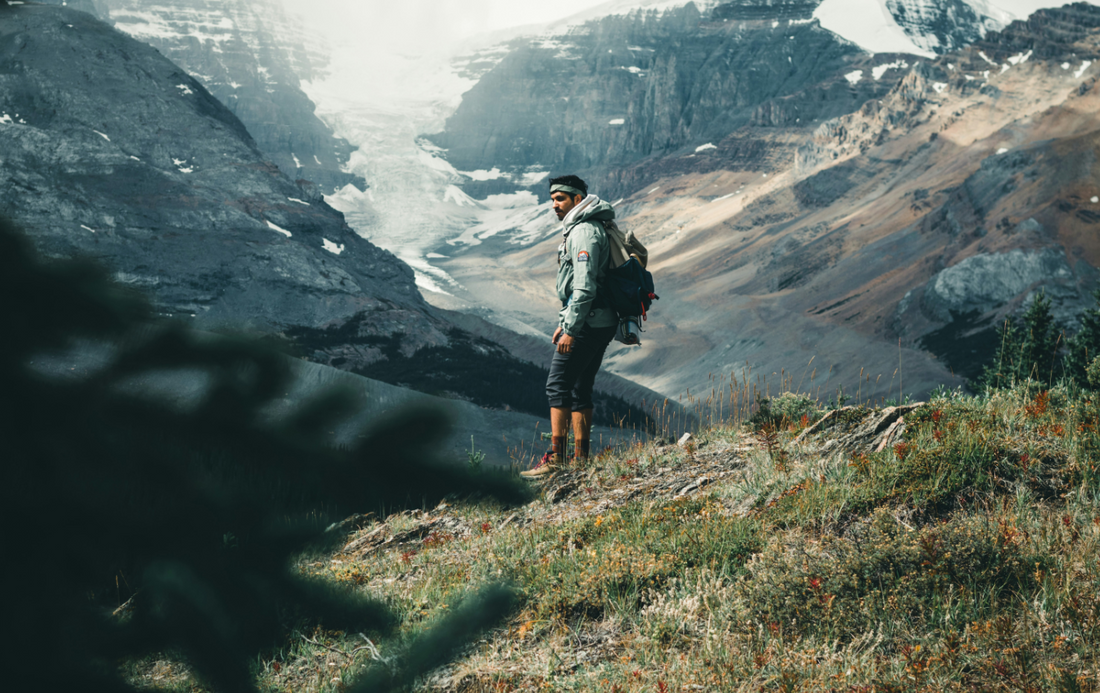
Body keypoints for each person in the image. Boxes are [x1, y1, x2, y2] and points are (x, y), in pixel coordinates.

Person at [522, 175, 619, 478]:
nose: (554, 205)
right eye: (552, 199)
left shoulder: (584, 232)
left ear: (578, 200)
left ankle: (557, 458)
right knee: (580, 387)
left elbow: (585, 287)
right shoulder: (586, 227)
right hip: (596, 320)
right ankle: (581, 458)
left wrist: (571, 329)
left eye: (560, 199)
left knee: (557, 384)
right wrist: (564, 322)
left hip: (589, 323)